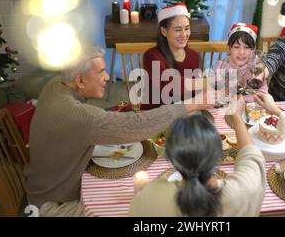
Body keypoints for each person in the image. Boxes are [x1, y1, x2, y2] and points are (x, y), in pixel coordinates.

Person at [25, 45, 214, 217]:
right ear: (80, 81)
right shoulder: (79, 116)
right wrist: (192, 103)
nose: (107, 77)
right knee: (138, 206)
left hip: (44, 186)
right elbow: (136, 125)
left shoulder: (55, 85)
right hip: (53, 206)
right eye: (101, 72)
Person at [129, 96, 267, 217]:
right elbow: (250, 155)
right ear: (218, 155)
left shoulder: (150, 196)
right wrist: (236, 116)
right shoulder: (246, 189)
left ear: (172, 158)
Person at [140, 2, 201, 110]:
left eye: (187, 28)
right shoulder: (151, 56)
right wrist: (204, 82)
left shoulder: (193, 56)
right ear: (164, 31)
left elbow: (194, 93)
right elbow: (168, 85)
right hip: (155, 116)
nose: (184, 34)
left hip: (185, 113)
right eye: (178, 30)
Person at [215, 22, 268, 102]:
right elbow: (215, 93)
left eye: (246, 47)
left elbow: (263, 94)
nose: (241, 52)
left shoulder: (257, 68)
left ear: (253, 49)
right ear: (229, 47)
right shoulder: (222, 66)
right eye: (236, 47)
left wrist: (240, 99)